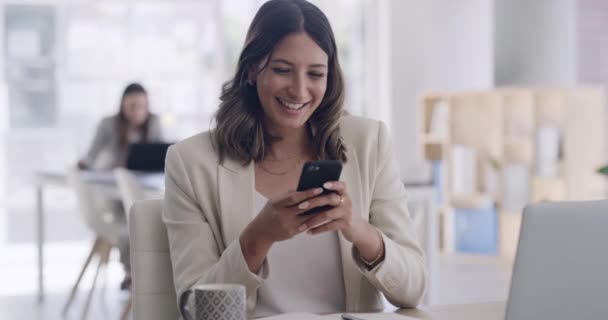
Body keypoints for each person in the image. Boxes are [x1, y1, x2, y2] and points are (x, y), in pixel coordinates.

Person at [163, 0, 426, 317]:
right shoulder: (191, 163)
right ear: (251, 69)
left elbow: (413, 289)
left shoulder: (369, 143)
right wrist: (257, 238)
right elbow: (194, 309)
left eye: (316, 74)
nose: (300, 91)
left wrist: (359, 230)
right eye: (282, 70)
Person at [79, 82, 163, 290]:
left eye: (141, 106)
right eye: (131, 106)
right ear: (123, 105)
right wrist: (86, 164)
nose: (136, 111)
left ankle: (140, 273)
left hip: (143, 189)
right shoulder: (109, 124)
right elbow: (92, 154)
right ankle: (133, 272)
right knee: (130, 223)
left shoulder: (154, 123)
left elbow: (160, 154)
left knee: (143, 217)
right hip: (112, 194)